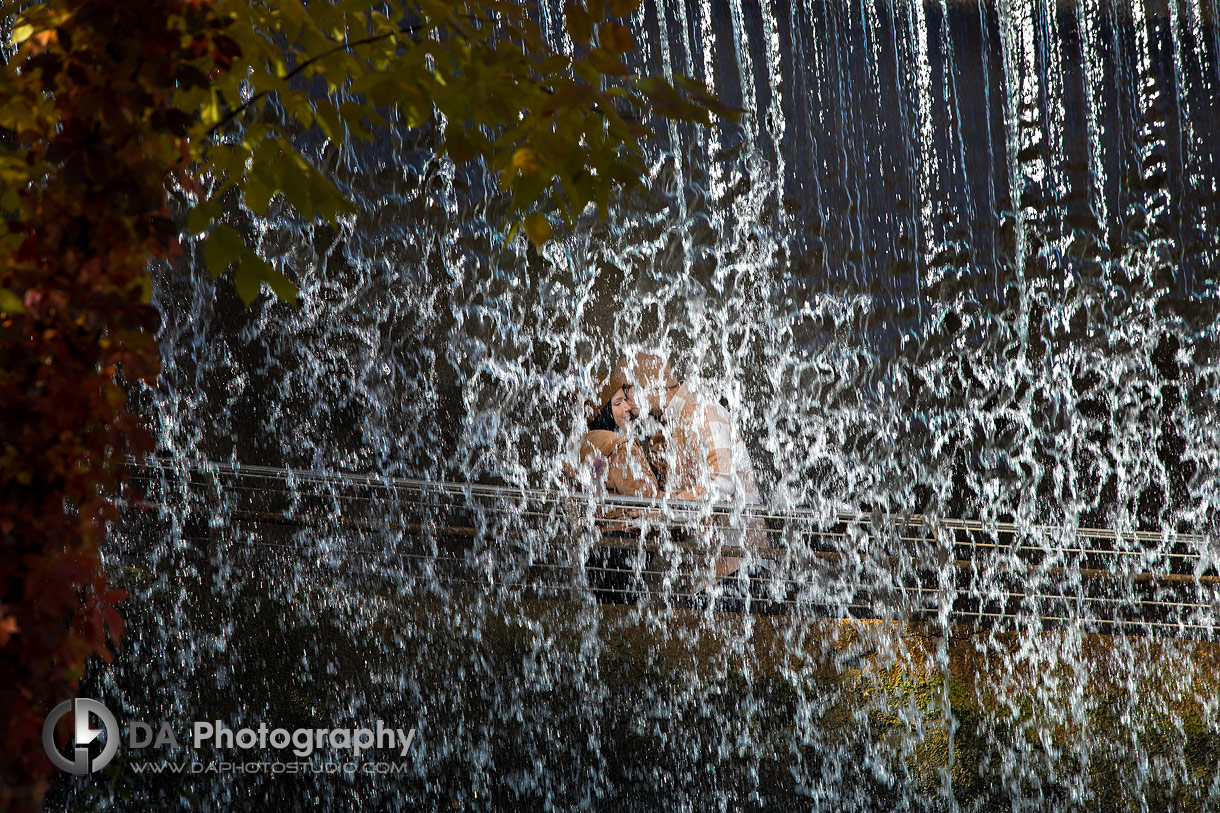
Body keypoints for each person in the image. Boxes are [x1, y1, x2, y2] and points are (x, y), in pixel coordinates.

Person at [610, 352, 763, 583]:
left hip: (739, 571)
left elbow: (721, 487)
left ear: (648, 384)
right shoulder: (668, 429)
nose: (626, 405)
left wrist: (662, 512)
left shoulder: (704, 412)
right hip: (708, 577)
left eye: (627, 392)